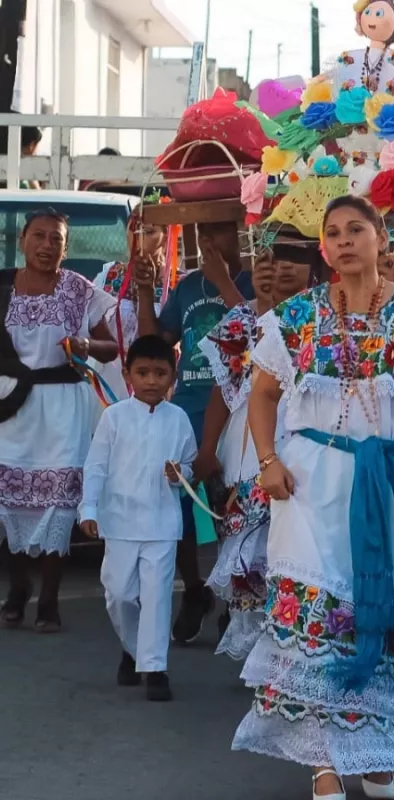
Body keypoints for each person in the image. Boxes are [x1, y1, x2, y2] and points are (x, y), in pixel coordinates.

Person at [233, 195, 394, 800]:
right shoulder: (296, 317)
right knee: (320, 614)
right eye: (332, 233)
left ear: (381, 237)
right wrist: (267, 462)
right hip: (312, 482)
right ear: (324, 247)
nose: (343, 241)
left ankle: (379, 753)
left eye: (355, 229)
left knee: (391, 610)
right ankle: (323, 765)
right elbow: (263, 396)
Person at [134, 221, 252, 645]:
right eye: (203, 233)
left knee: (234, 513)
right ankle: (196, 591)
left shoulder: (258, 278)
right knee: (177, 508)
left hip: (240, 418)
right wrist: (146, 292)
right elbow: (153, 347)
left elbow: (259, 336)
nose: (209, 243)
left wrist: (223, 281)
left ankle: (235, 600)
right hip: (187, 413)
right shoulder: (186, 287)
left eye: (221, 231)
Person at [0, 209, 118, 631]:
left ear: (66, 249)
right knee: (9, 498)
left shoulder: (77, 289)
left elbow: (111, 348)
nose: (47, 245)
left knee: (58, 502)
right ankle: (17, 590)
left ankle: (48, 600)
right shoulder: (3, 286)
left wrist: (85, 343)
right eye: (39, 236)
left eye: (57, 239)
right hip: (11, 407)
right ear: (23, 241)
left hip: (64, 408)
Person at [195, 242, 314, 659]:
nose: (281, 268)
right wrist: (207, 446)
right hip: (250, 443)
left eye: (293, 260)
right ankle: (260, 650)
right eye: (272, 259)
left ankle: (294, 644)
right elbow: (223, 393)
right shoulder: (241, 321)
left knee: (297, 544)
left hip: (306, 439)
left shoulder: (322, 317)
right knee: (251, 544)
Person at [79, 334, 197, 702]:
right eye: (142, 372)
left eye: (160, 373)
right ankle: (132, 650)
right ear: (128, 375)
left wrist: (182, 475)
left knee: (157, 596)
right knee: (119, 595)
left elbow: (190, 463)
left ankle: (155, 669)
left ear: (172, 378)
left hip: (162, 524)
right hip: (119, 522)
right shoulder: (113, 417)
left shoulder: (178, 419)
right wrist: (89, 509)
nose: (151, 381)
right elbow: (96, 467)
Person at [92, 209, 171, 400]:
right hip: (112, 377)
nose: (138, 239)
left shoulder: (176, 282)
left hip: (156, 380)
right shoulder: (107, 277)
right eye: (133, 230)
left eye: (148, 232)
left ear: (165, 235)